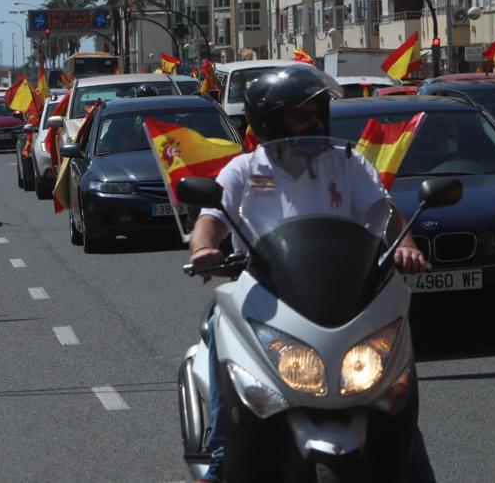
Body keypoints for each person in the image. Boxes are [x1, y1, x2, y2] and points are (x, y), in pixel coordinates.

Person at [187, 64, 436, 483]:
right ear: (268, 121)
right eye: (300, 114)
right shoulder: (243, 170)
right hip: (265, 295)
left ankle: (410, 465)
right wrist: (204, 249)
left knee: (391, 389)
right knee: (217, 322)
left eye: (317, 111)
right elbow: (209, 219)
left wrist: (406, 246)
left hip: (344, 294)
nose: (314, 121)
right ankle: (220, 458)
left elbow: (385, 211)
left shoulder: (348, 163)